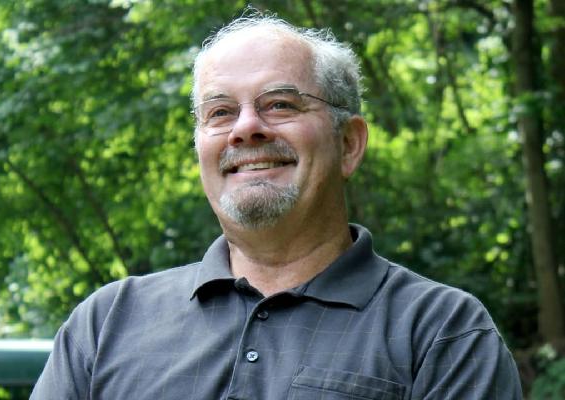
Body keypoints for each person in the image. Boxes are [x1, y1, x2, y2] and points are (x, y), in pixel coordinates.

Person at [31, 11, 523, 400]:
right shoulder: (106, 324)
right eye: (220, 112)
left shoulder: (441, 332)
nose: (246, 128)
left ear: (348, 144)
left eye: (280, 104)